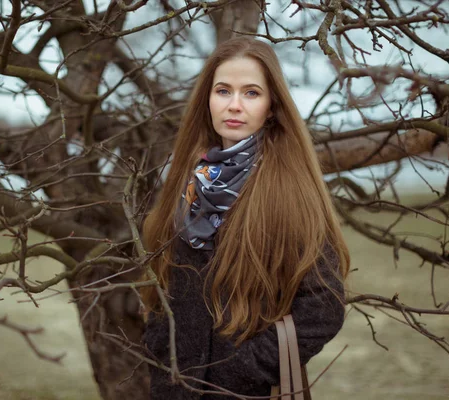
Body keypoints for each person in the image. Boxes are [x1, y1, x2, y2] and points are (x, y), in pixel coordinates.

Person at [141, 36, 350, 399]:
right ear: (208, 100)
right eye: (223, 91)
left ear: (271, 106)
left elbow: (323, 306)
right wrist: (161, 353)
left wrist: (244, 369)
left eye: (251, 93)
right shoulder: (187, 181)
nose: (234, 105)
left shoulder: (289, 189)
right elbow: (161, 286)